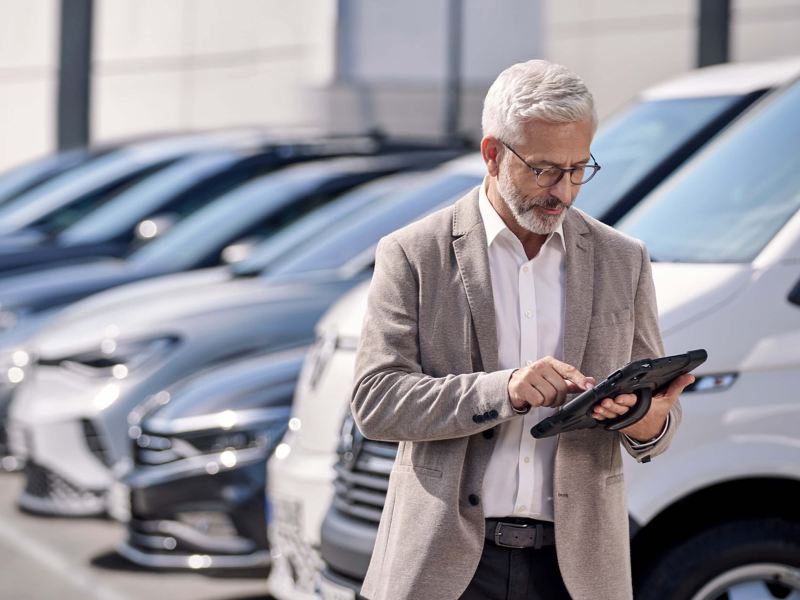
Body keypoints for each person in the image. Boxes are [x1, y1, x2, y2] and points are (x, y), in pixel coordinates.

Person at [351, 59, 693, 600]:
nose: (565, 190)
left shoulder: (623, 259)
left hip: (576, 573)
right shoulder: (413, 253)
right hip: (446, 566)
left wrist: (645, 421)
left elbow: (655, 418)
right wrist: (503, 390)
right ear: (492, 154)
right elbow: (376, 402)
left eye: (579, 168)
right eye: (544, 169)